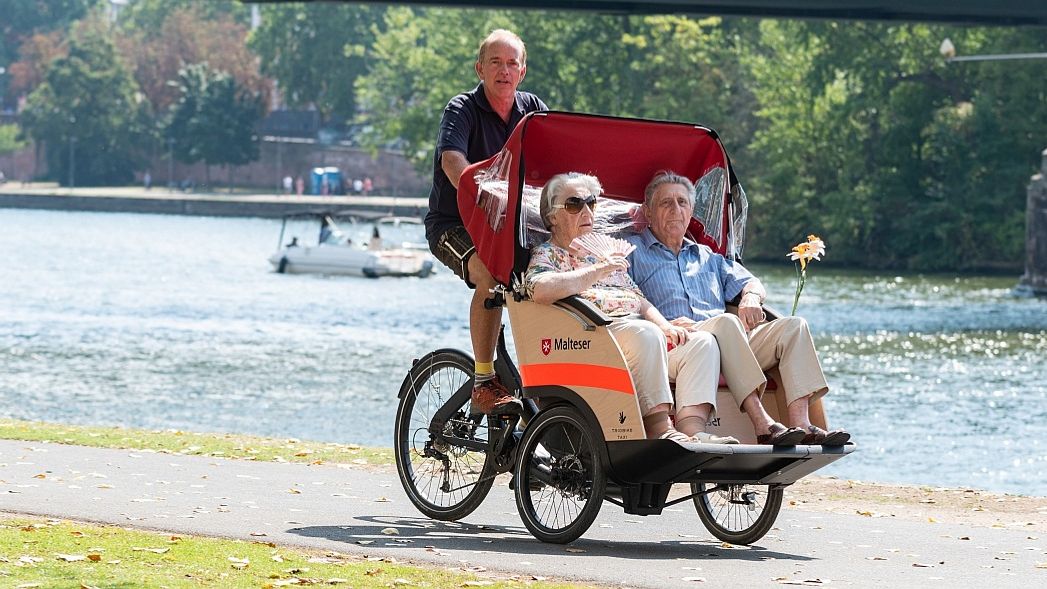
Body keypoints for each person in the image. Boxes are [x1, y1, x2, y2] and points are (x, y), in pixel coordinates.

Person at [626, 171, 851, 445]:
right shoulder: (632, 252)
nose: (676, 210)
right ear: (648, 212)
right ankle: (762, 423)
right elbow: (625, 299)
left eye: (682, 203)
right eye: (666, 203)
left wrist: (750, 298)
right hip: (679, 344)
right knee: (726, 323)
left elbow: (751, 282)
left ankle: (802, 424)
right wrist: (664, 326)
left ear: (691, 211)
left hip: (731, 341)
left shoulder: (708, 257)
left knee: (794, 326)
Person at [526, 173, 737, 445]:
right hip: (593, 341)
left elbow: (639, 300)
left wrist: (667, 326)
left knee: (702, 343)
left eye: (591, 203)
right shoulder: (548, 254)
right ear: (552, 216)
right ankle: (660, 426)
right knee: (645, 332)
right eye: (574, 204)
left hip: (636, 340)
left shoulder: (603, 253)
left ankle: (691, 431)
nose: (587, 211)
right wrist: (597, 271)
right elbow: (541, 288)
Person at [424, 29, 548, 415]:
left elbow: (553, 163)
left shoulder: (532, 110)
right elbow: (451, 160)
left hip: (510, 228)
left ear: (522, 72)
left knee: (550, 280)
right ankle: (482, 381)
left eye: (512, 63)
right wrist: (484, 194)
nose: (504, 70)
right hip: (453, 224)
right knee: (490, 278)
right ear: (480, 68)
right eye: (495, 62)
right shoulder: (462, 109)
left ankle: (543, 374)